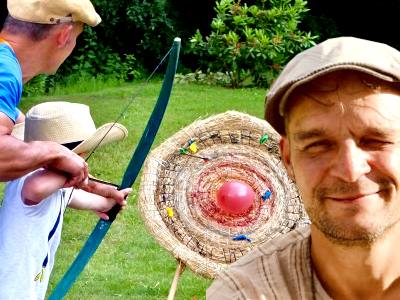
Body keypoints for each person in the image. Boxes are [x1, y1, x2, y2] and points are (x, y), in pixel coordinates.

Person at [207, 36, 400, 299]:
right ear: (288, 159)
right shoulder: (247, 292)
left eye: (376, 140)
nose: (350, 171)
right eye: (318, 145)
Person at [0, 101, 132, 299]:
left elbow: (74, 197)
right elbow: (33, 189)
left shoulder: (55, 184)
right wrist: (81, 177)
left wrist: (109, 202)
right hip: (12, 285)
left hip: (27, 281)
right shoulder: (31, 178)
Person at [0, 0, 102, 189]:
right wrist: (54, 152)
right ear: (65, 35)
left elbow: (21, 134)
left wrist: (89, 184)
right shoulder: (5, 71)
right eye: (76, 37)